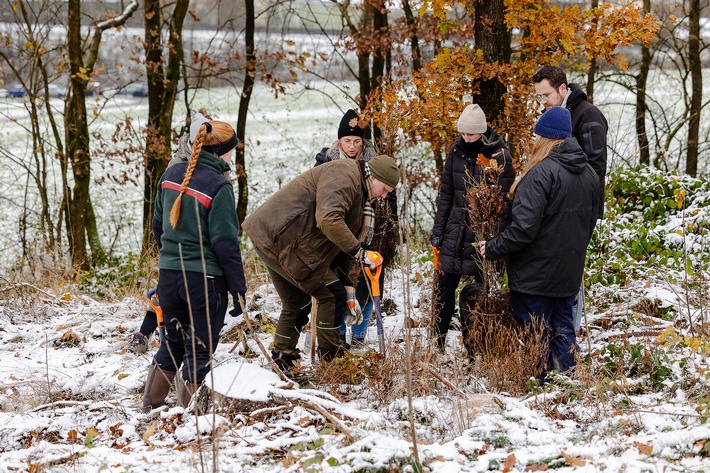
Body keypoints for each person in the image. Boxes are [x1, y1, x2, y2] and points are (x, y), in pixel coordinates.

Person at [242, 155, 400, 372]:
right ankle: (331, 361)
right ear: (374, 177)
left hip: (281, 240)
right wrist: (360, 253)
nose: (383, 196)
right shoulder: (345, 176)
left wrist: (350, 288)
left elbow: (342, 244)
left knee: (297, 302)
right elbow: (328, 219)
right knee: (331, 296)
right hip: (280, 238)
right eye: (385, 189)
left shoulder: (360, 194)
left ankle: (282, 359)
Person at [479, 106, 600, 378]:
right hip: (568, 272)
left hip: (534, 275)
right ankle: (568, 388)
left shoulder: (540, 174)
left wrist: (493, 247)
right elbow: (589, 225)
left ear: (544, 137)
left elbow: (523, 229)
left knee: (536, 334)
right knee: (563, 330)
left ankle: (539, 391)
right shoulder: (591, 175)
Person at [142, 119, 247, 412]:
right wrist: (238, 289)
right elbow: (226, 245)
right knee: (199, 352)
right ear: (223, 153)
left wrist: (171, 261)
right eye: (231, 150)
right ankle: (190, 418)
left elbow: (158, 226)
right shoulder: (219, 186)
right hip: (205, 283)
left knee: (172, 345)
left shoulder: (169, 175)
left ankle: (149, 405)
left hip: (169, 278)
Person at [430, 103, 514, 349]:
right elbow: (446, 194)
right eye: (463, 133)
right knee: (443, 291)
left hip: (482, 234)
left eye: (471, 134)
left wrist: (497, 240)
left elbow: (504, 203)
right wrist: (438, 232)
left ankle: (475, 345)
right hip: (455, 231)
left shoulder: (499, 156)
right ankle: (436, 343)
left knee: (479, 293)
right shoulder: (455, 151)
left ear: (482, 131)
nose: (466, 138)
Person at [129, 113, 213, 354]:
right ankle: (145, 334)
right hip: (178, 242)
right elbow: (162, 216)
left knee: (176, 292)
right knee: (166, 291)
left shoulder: (214, 165)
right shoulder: (176, 167)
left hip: (197, 245)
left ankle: (171, 337)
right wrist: (168, 247)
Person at [314, 109, 397, 351]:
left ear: (363, 142)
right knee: (338, 286)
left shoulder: (376, 164)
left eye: (357, 141)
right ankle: (338, 335)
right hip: (336, 236)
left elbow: (390, 197)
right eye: (347, 141)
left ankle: (359, 335)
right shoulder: (325, 163)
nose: (352, 147)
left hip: (371, 234)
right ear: (339, 141)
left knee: (368, 285)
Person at [532, 65, 607, 221]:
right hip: (558, 204)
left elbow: (596, 165)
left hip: (580, 207)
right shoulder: (551, 114)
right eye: (539, 96)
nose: (543, 101)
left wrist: (587, 208)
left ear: (563, 88)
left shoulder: (588, 114)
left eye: (546, 95)